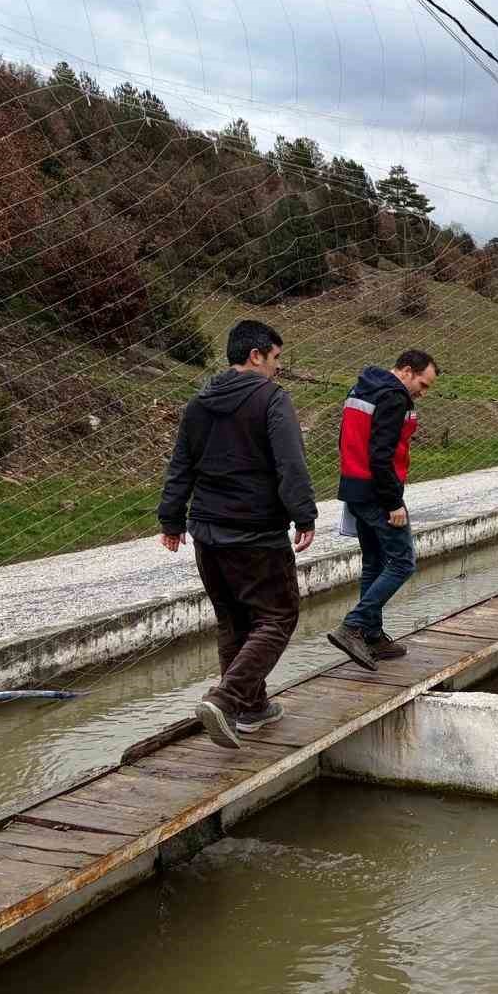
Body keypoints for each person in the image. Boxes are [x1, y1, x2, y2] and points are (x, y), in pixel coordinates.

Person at [157, 320, 318, 749]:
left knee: (233, 622)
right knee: (277, 616)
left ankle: (251, 708)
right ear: (256, 355)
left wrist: (171, 520)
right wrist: (304, 516)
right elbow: (291, 464)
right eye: (276, 358)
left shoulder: (198, 404)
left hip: (207, 533)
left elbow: (181, 467)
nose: (278, 367)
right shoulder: (271, 400)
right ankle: (226, 699)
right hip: (256, 534)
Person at [327, 349, 439, 670]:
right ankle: (353, 626)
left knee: (374, 561)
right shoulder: (393, 396)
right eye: (423, 383)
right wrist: (393, 503)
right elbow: (381, 454)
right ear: (406, 371)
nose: (422, 392)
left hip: (356, 487)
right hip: (378, 492)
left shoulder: (362, 388)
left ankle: (372, 635)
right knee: (403, 562)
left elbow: (349, 440)